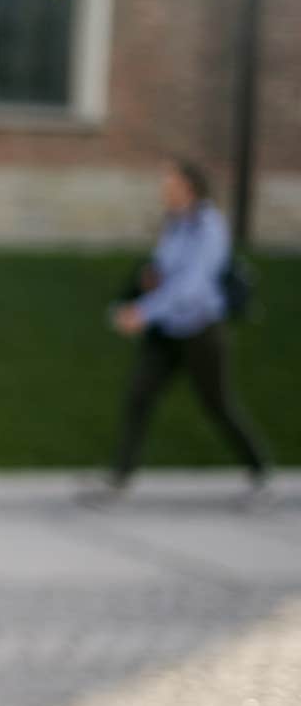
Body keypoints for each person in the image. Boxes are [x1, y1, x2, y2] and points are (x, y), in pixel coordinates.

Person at [88, 158, 272, 506]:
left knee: (218, 403)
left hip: (201, 329)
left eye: (169, 183)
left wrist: (143, 312)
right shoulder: (174, 225)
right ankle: (120, 477)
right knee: (139, 395)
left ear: (188, 187)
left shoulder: (209, 227)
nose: (163, 190)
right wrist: (142, 292)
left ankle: (261, 474)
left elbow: (192, 285)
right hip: (167, 330)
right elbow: (164, 272)